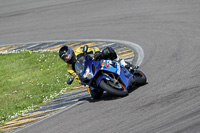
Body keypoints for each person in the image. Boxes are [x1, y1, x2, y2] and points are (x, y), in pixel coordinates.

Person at [59, 45, 135, 84]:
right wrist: (81, 80)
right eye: (64, 58)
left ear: (70, 52)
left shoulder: (79, 51)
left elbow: (94, 49)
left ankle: (122, 63)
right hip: (90, 73)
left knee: (108, 51)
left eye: (67, 55)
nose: (67, 58)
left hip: (96, 62)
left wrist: (96, 53)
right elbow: (77, 77)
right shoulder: (69, 68)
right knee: (94, 94)